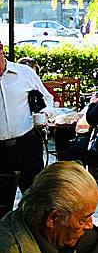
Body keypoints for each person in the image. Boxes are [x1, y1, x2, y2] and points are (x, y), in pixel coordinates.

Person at [0, 42, 54, 192]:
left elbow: (48, 99)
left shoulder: (25, 73)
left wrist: (44, 114)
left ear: (0, 49)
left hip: (26, 145)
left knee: (36, 198)